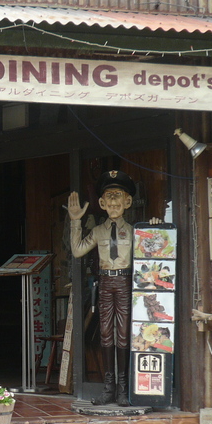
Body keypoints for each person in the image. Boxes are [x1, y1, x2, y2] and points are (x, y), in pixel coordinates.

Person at [67, 170, 153, 406]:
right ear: (102, 203)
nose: (114, 202)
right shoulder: (98, 231)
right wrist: (75, 221)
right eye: (109, 197)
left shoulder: (135, 231)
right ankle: (108, 388)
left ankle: (123, 389)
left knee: (124, 333)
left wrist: (157, 227)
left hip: (125, 282)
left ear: (128, 202)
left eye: (119, 197)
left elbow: (153, 248)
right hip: (105, 283)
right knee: (106, 333)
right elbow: (77, 250)